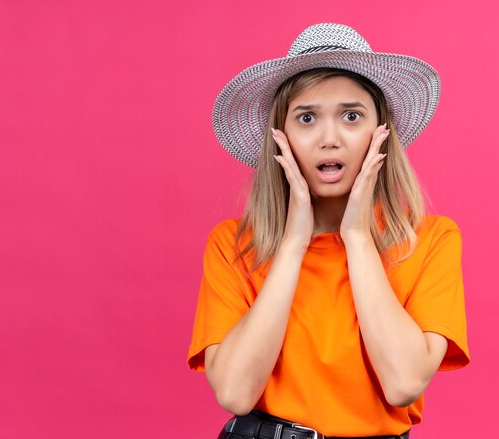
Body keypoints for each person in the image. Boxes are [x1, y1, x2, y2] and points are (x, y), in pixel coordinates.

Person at [187, 23, 471, 439]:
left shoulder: (430, 241)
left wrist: (356, 237)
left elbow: (403, 383)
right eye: (306, 118)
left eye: (351, 116)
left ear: (381, 134)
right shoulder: (234, 245)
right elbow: (234, 392)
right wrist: (293, 243)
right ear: (280, 139)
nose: (330, 138)